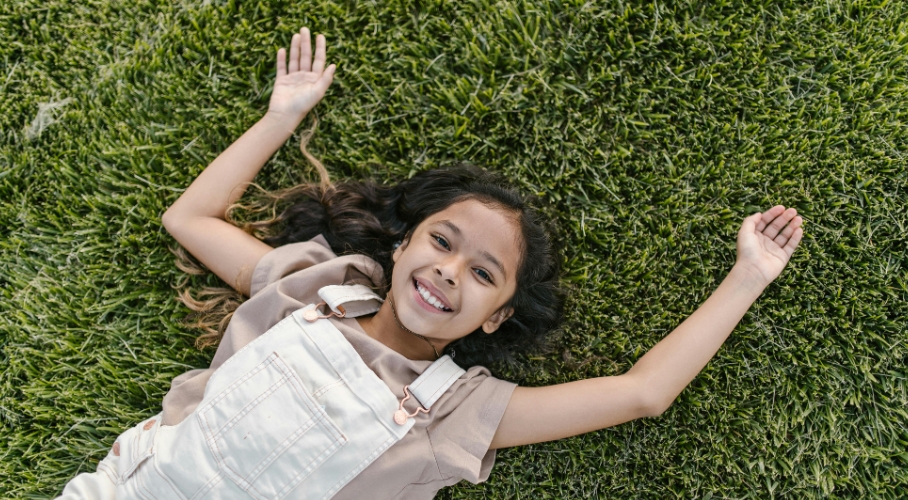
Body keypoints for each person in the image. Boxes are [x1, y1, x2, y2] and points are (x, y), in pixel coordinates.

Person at [57, 28, 803, 499]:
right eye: (443, 243)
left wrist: (748, 275)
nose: (451, 271)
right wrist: (281, 116)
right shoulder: (317, 286)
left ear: (498, 315)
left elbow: (644, 393)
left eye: (484, 274)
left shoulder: (458, 409)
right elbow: (188, 220)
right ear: (402, 245)